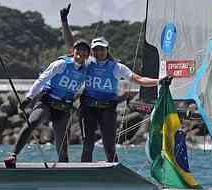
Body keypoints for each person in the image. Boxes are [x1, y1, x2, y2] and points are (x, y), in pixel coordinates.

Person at [60, 5, 172, 162]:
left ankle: (114, 172)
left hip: (107, 109)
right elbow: (72, 46)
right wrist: (64, 21)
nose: (99, 52)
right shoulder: (87, 63)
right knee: (88, 144)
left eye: (102, 49)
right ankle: (86, 173)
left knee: (109, 146)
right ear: (92, 51)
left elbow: (138, 79)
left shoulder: (116, 67)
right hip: (88, 108)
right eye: (96, 49)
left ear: (107, 50)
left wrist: (159, 81)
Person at [4, 39, 91, 167]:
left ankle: (64, 167)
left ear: (88, 55)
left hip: (64, 108)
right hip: (47, 101)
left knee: (62, 144)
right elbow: (42, 79)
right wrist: (29, 97)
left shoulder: (87, 70)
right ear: (73, 51)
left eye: (85, 51)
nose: (81, 53)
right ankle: (13, 155)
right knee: (32, 123)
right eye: (78, 49)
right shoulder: (61, 64)